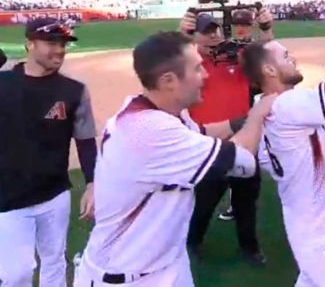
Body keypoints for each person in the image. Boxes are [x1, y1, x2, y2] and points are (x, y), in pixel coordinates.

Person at [74, 31, 275, 287]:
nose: (206, 75)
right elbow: (244, 162)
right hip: (128, 277)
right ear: (168, 80)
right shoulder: (149, 130)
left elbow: (200, 134)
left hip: (167, 264)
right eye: (198, 68)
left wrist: (240, 120)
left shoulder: (151, 109)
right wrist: (259, 112)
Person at [240, 1, 325, 286]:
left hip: (306, 225)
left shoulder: (263, 108)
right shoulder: (287, 106)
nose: (291, 57)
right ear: (269, 71)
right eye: (285, 56)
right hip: (324, 231)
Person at [0, 18, 98, 287]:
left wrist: (92, 183)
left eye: (63, 44)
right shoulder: (4, 83)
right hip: (8, 197)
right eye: (51, 43)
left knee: (54, 261)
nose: (59, 50)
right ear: (29, 44)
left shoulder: (74, 90)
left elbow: (86, 140)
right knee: (15, 274)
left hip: (54, 194)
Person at [180, 7, 273, 265]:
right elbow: (177, 58)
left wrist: (265, 28)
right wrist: (184, 38)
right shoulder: (192, 65)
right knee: (203, 203)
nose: (213, 36)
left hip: (244, 141)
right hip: (208, 146)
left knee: (246, 201)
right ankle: (192, 242)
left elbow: (265, 55)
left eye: (215, 30)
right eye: (205, 32)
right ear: (195, 37)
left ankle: (249, 247)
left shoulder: (237, 57)